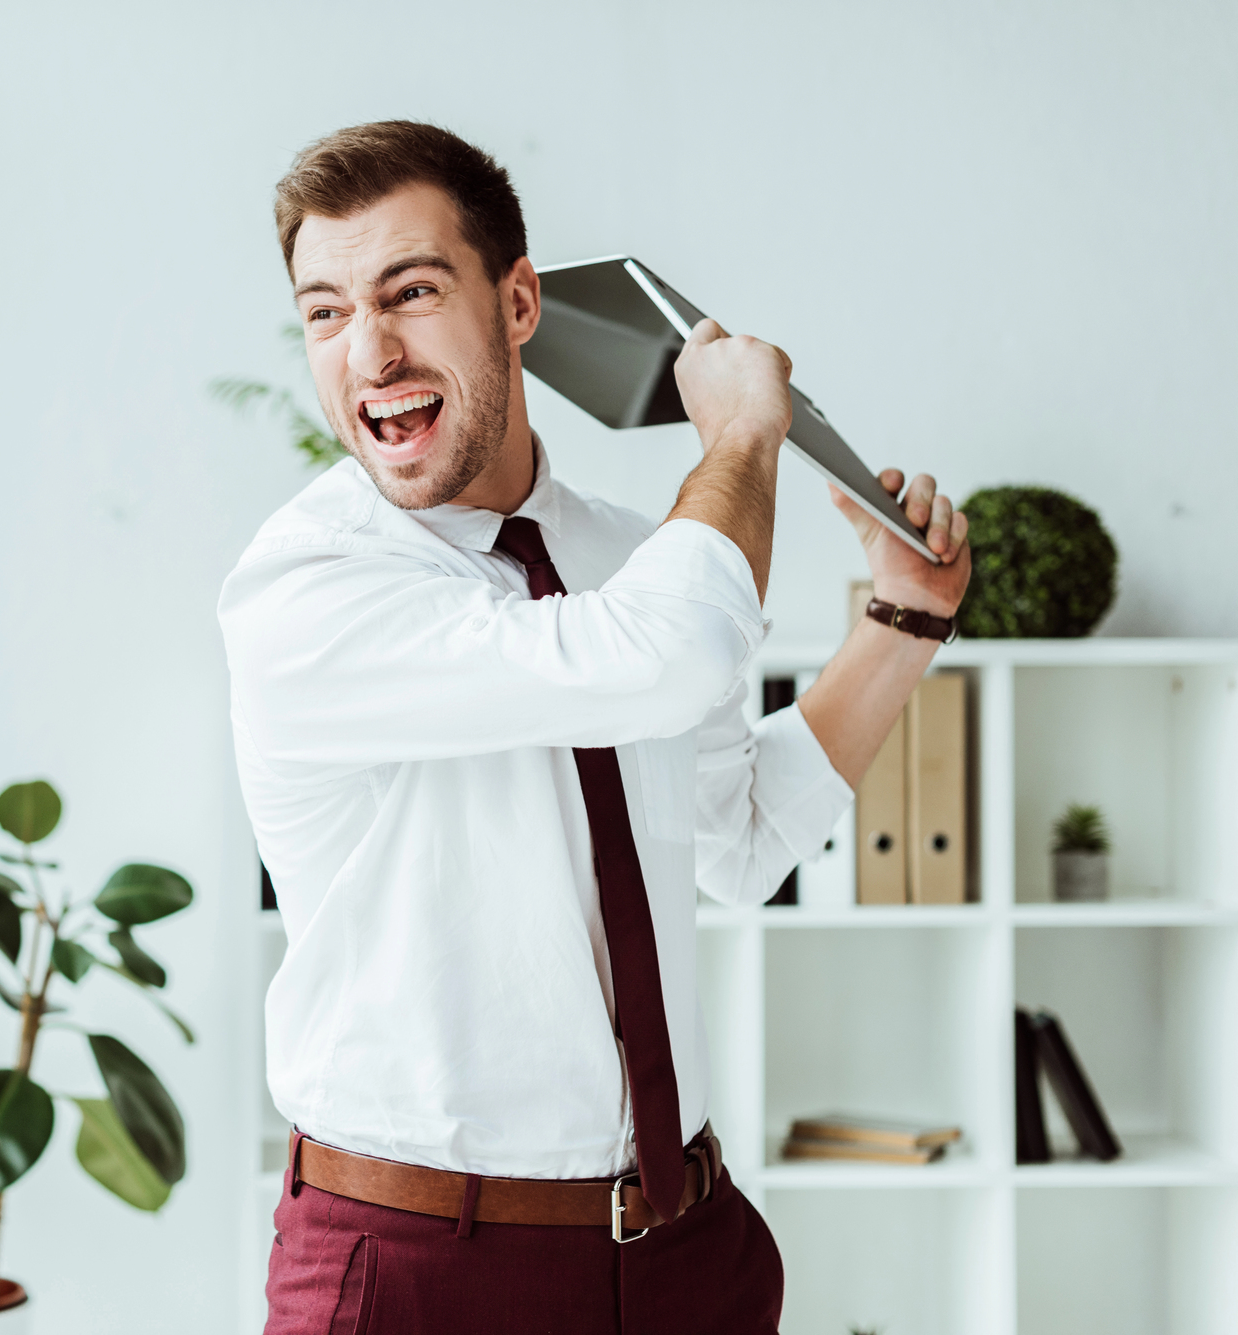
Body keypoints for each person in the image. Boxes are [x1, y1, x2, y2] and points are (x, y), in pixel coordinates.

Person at [218, 121, 972, 1334]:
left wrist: (900, 620)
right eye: (324, 311)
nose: (368, 351)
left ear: (517, 301)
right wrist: (736, 440)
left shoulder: (630, 557)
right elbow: (659, 657)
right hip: (423, 1267)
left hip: (682, 1249)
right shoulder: (305, 588)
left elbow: (736, 838)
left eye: (409, 291)